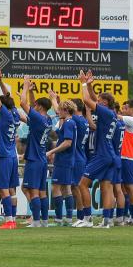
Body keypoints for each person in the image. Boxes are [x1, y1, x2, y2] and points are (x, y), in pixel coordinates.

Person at [78, 71, 118, 228]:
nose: (98, 101)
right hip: (110, 154)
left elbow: (87, 100)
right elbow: (93, 99)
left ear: (105, 103)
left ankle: (87, 219)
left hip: (102, 154)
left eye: (101, 100)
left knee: (82, 184)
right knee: (106, 188)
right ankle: (107, 222)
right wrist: (89, 84)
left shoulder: (106, 112)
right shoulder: (112, 113)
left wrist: (82, 83)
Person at [0, 67, 21, 230]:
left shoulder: (6, 115)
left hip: (3, 156)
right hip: (12, 156)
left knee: (3, 189)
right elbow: (8, 97)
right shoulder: (14, 113)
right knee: (12, 189)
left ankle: (8, 220)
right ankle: (12, 219)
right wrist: (0, 81)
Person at [18, 76, 52, 228]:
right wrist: (31, 92)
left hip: (34, 159)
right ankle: (44, 221)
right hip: (42, 159)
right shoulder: (48, 119)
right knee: (42, 191)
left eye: (36, 105)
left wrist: (25, 86)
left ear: (39, 107)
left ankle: (36, 221)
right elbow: (32, 104)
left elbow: (23, 103)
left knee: (33, 191)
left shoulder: (38, 119)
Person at [46, 96, 77, 226]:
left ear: (65, 110)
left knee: (56, 187)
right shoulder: (69, 122)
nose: (58, 112)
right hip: (67, 160)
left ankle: (59, 218)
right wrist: (54, 99)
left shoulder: (69, 123)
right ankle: (68, 218)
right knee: (66, 188)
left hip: (64, 160)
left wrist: (51, 151)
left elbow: (67, 143)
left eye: (60, 110)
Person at [117, 99, 133, 225]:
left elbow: (115, 116)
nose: (124, 110)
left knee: (130, 188)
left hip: (128, 157)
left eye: (126, 108)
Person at [69, 99, 90, 226]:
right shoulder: (84, 120)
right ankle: (81, 217)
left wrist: (54, 100)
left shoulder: (77, 119)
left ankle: (83, 217)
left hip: (78, 158)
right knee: (74, 187)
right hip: (80, 156)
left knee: (77, 187)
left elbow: (60, 112)